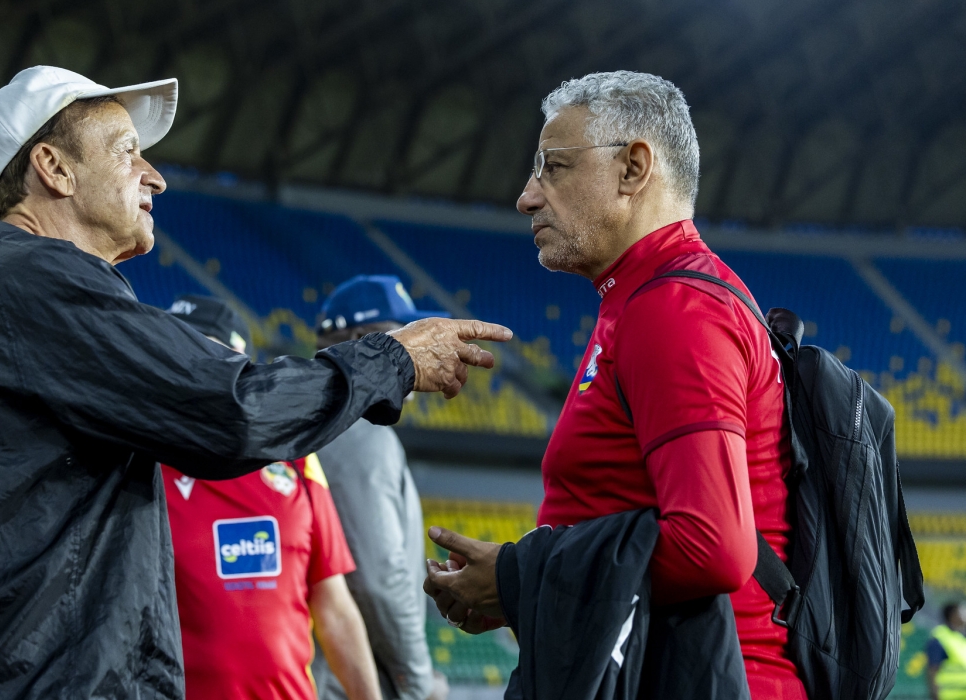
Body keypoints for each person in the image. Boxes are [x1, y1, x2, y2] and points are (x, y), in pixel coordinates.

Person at [0, 65, 510, 700]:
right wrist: (391, 358)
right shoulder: (37, 286)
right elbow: (236, 410)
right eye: (127, 152)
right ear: (53, 168)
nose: (156, 178)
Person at [422, 70, 805, 699]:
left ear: (633, 168)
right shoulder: (644, 300)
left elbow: (714, 549)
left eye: (554, 167)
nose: (526, 196)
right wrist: (520, 594)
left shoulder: (675, 309)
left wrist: (520, 579)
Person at [161, 294, 380, 700]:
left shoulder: (296, 462)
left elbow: (333, 604)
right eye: (179, 352)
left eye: (210, 351)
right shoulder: (137, 466)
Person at [309, 276, 447, 700]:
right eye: (404, 335)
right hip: (350, 682)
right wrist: (418, 681)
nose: (418, 348)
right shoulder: (358, 431)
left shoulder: (314, 418)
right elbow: (379, 580)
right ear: (363, 340)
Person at [928, 603, 966, 700]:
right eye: (961, 613)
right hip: (947, 697)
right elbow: (933, 671)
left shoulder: (960, 638)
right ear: (953, 615)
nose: (964, 616)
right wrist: (935, 696)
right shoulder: (939, 637)